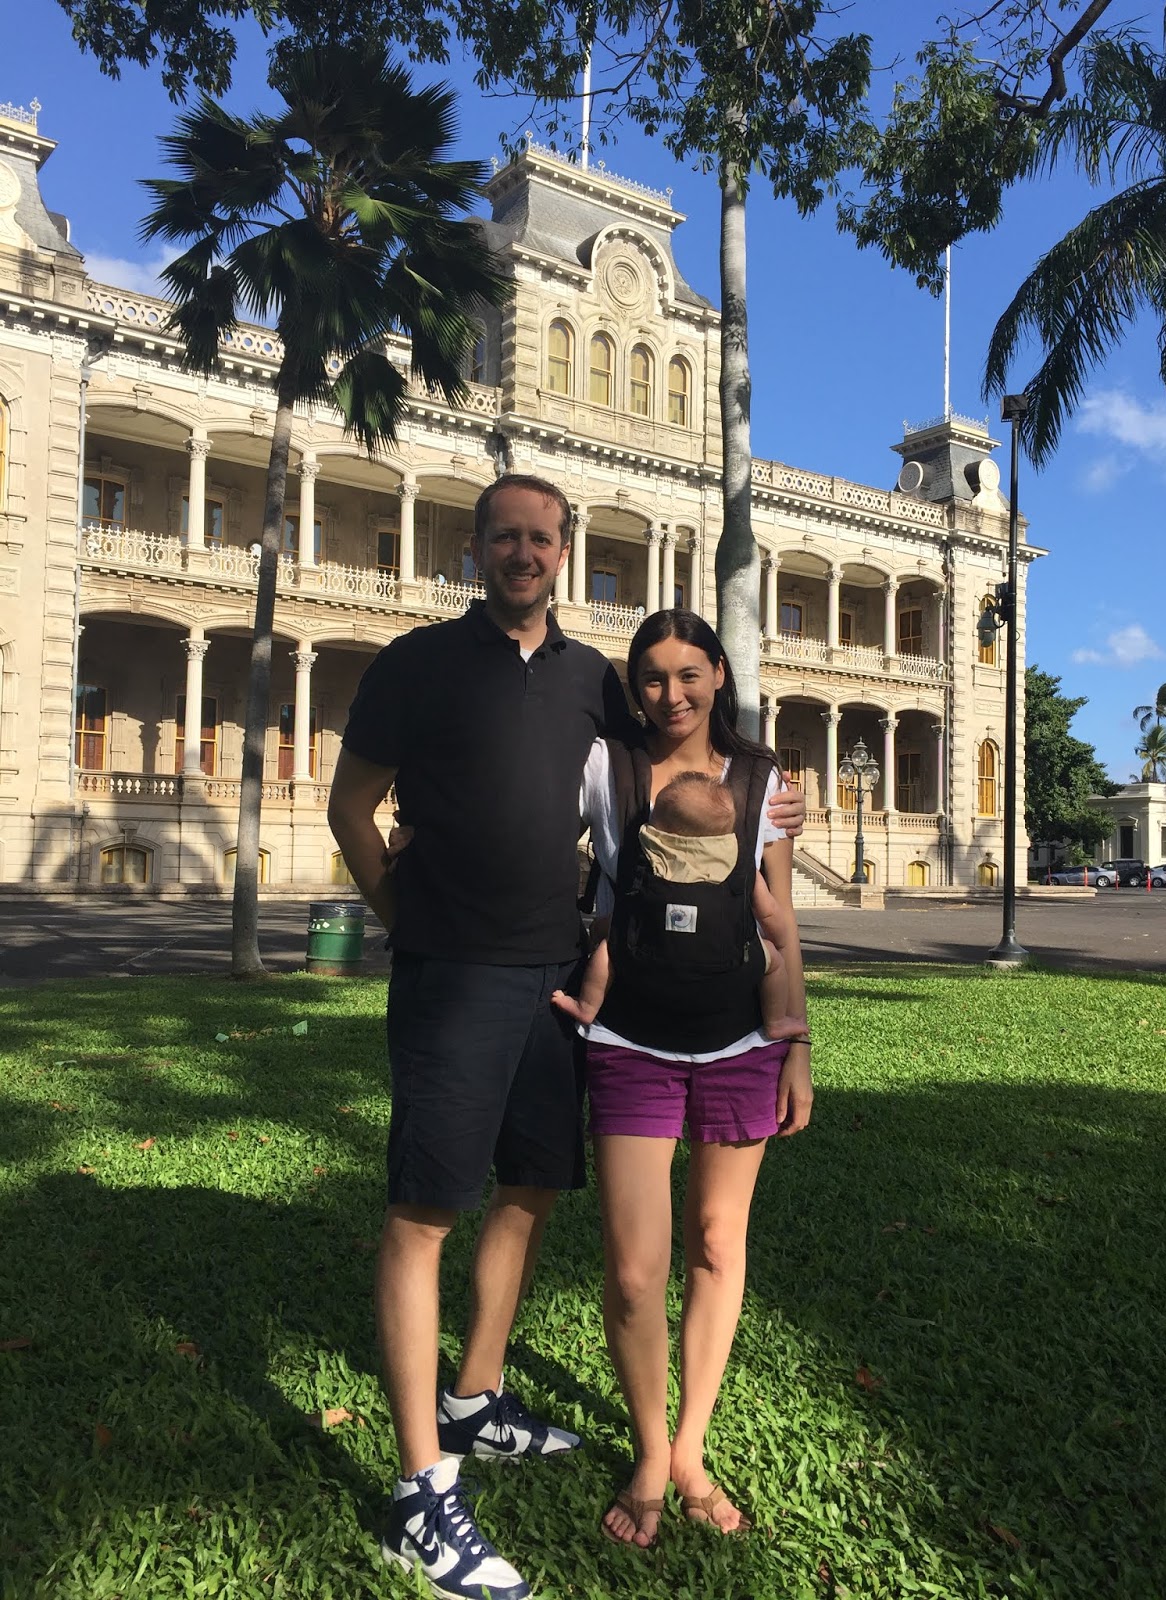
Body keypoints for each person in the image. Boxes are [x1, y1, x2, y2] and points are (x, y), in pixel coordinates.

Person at [328, 475, 806, 1599]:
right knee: (422, 1209)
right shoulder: (417, 664)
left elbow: (689, 770)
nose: (526, 552)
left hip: (558, 985)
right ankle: (419, 1488)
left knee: (533, 1187)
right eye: (507, 536)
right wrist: (405, 919)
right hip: (455, 973)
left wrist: (772, 804)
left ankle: (476, 1396)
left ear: (564, 547)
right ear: (477, 546)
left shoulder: (596, 678)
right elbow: (354, 808)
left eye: (544, 537)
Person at [573, 609, 813, 1549]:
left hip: (739, 1043)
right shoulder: (607, 769)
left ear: (719, 673)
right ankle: (645, 1448)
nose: (671, 696)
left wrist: (797, 1044)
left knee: (717, 1244)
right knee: (635, 1271)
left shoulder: (764, 785)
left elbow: (782, 925)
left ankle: (689, 1450)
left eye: (688, 675)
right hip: (630, 1041)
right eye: (653, 680)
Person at [551, 767, 807, 1040]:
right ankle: (777, 1020)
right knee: (774, 962)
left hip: (648, 972)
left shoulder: (650, 862)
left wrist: (600, 932)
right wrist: (777, 940)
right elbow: (770, 916)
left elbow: (625, 916)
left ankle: (587, 1006)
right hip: (726, 972)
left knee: (607, 951)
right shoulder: (740, 866)